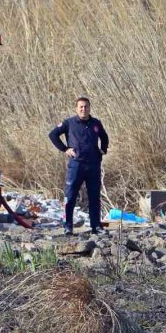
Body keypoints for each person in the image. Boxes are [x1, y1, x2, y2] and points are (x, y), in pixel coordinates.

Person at [48, 97, 109, 235]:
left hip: (93, 165)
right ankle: (68, 226)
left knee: (94, 197)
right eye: (81, 107)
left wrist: (103, 150)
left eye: (86, 106)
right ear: (76, 109)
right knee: (70, 196)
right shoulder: (69, 123)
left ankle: (96, 226)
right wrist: (64, 149)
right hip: (76, 165)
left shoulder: (96, 123)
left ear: (89, 108)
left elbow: (104, 137)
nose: (84, 109)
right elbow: (53, 135)